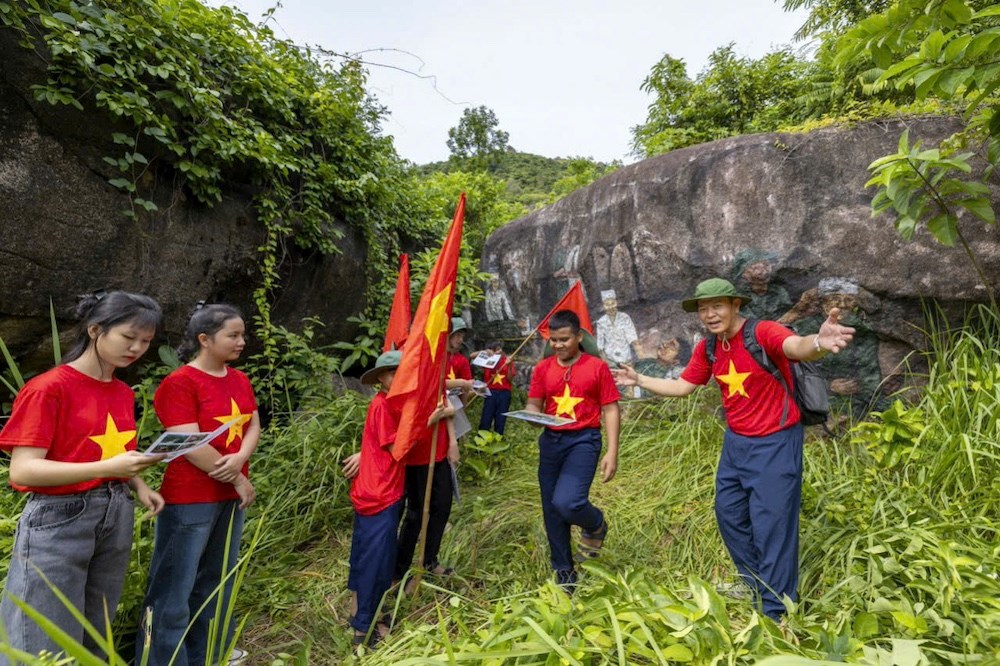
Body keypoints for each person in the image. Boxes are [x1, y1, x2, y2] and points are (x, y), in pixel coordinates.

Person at [613, 278, 855, 621]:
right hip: (736, 444)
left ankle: (776, 612)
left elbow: (796, 347)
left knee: (772, 527)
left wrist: (819, 341)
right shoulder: (710, 348)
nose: (710, 315)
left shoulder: (763, 333)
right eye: (703, 309)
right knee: (729, 515)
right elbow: (683, 385)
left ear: (735, 306)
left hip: (775, 442)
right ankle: (755, 581)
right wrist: (640, 380)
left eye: (717, 306)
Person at [0, 291, 165, 664]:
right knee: (41, 636)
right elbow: (23, 470)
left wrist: (139, 485)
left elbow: (115, 454)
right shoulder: (49, 388)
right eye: (128, 337)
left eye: (146, 342)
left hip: (114, 513)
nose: (137, 348)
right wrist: (109, 470)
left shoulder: (122, 392)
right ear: (95, 329)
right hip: (60, 518)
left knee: (95, 632)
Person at [137, 304, 259, 666]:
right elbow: (187, 442)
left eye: (242, 334)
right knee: (174, 585)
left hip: (229, 496)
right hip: (190, 498)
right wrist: (237, 476)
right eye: (233, 335)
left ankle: (211, 652)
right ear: (204, 340)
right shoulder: (180, 384)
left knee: (217, 579)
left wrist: (240, 461)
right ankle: (163, 658)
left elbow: (252, 424)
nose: (241, 341)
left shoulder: (239, 379)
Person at [524, 309, 621, 589]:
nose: (558, 345)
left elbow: (611, 408)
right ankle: (565, 573)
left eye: (564, 339)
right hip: (551, 441)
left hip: (584, 440)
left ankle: (596, 523)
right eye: (553, 340)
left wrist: (612, 451)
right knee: (551, 510)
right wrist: (531, 416)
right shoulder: (543, 369)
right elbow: (534, 403)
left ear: (579, 337)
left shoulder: (595, 367)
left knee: (567, 502)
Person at [346, 350, 405, 646]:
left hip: (377, 488)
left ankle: (360, 613)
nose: (398, 377)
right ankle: (364, 628)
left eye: (402, 372)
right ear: (380, 378)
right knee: (375, 561)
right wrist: (427, 422)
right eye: (392, 372)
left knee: (366, 555)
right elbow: (399, 448)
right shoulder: (383, 406)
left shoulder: (389, 403)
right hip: (379, 492)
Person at [477, 340, 515, 436]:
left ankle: (498, 442)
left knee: (500, 419)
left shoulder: (507, 360)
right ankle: (481, 442)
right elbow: (472, 356)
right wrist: (485, 352)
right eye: (497, 349)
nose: (500, 351)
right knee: (486, 418)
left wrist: (509, 365)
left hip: (504, 393)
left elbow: (510, 379)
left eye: (500, 349)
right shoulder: (487, 361)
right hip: (490, 392)